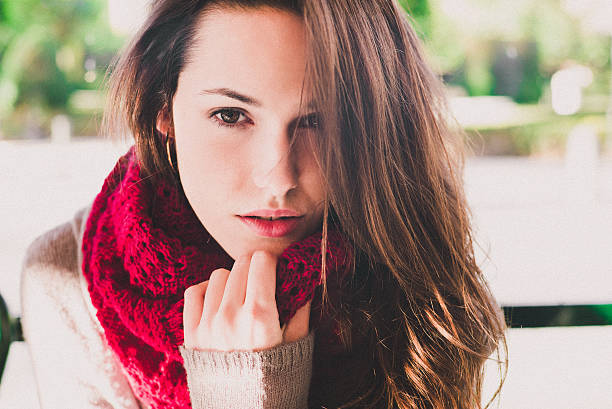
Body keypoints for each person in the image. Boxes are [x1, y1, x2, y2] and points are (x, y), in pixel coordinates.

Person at [20, 0, 508, 408]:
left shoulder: (413, 265)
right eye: (230, 115)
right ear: (163, 108)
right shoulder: (65, 278)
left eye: (318, 121)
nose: (278, 178)